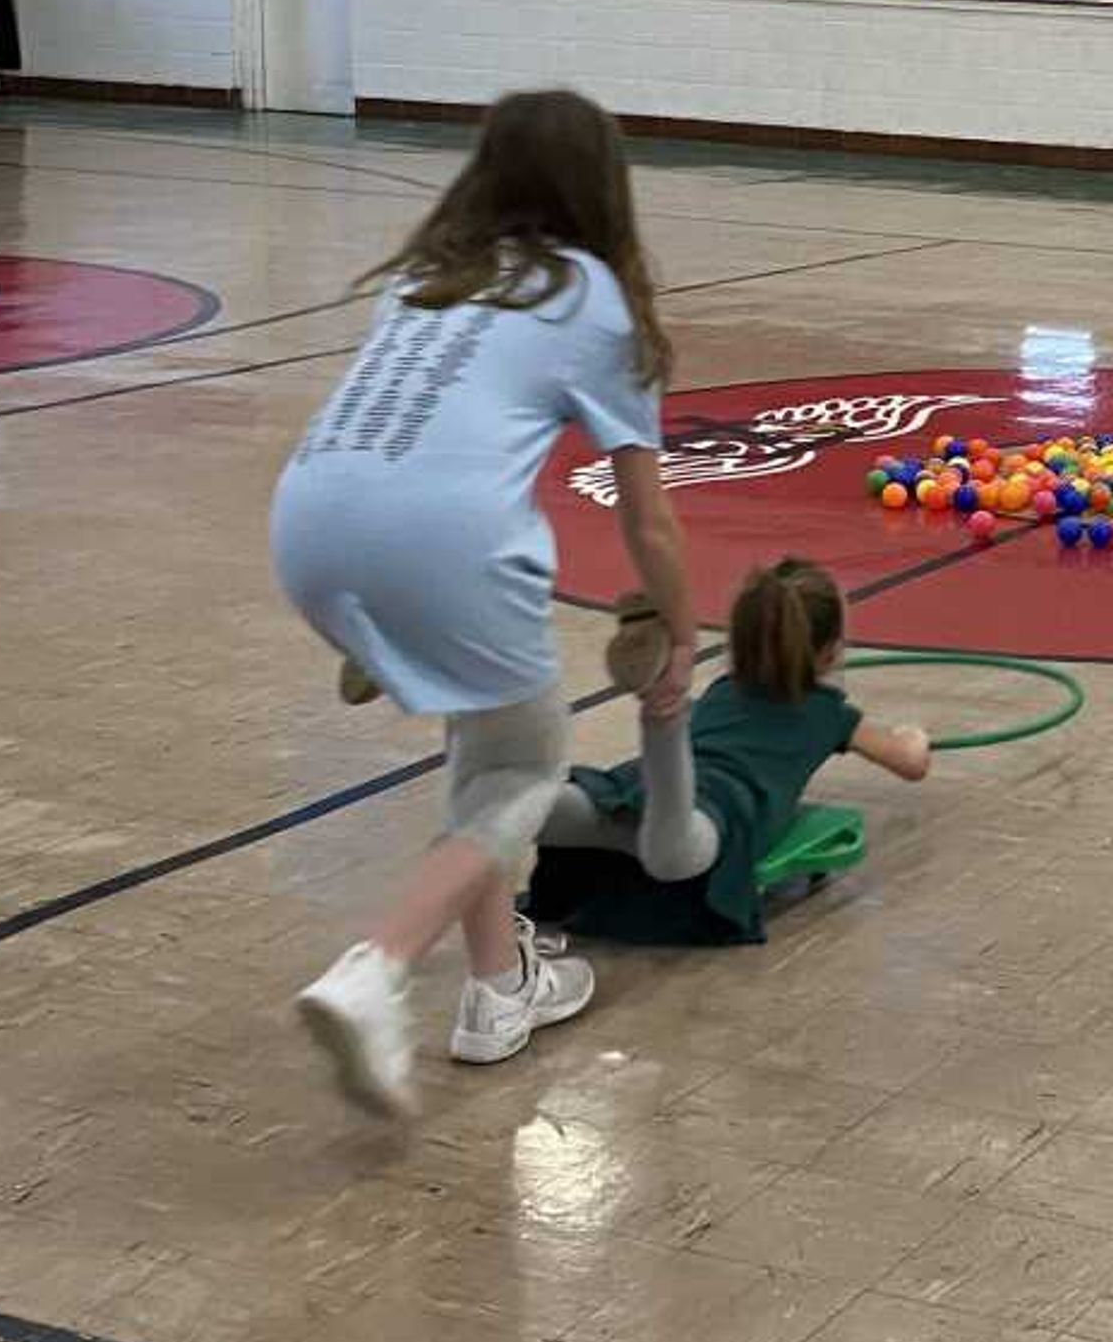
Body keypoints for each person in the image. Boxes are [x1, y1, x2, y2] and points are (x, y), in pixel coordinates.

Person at [273, 89, 693, 1116]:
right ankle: (376, 970)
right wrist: (679, 632)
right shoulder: (593, 294)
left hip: (309, 528)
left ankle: (499, 991)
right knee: (521, 765)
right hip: (440, 542)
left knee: (482, 738)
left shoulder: (427, 276)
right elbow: (649, 524)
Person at [528, 559, 930, 946]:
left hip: (643, 783)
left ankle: (515, 796)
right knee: (676, 849)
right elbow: (911, 763)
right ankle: (662, 711)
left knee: (599, 804)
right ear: (829, 654)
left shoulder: (726, 686)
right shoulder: (829, 714)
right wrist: (914, 736)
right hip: (723, 805)